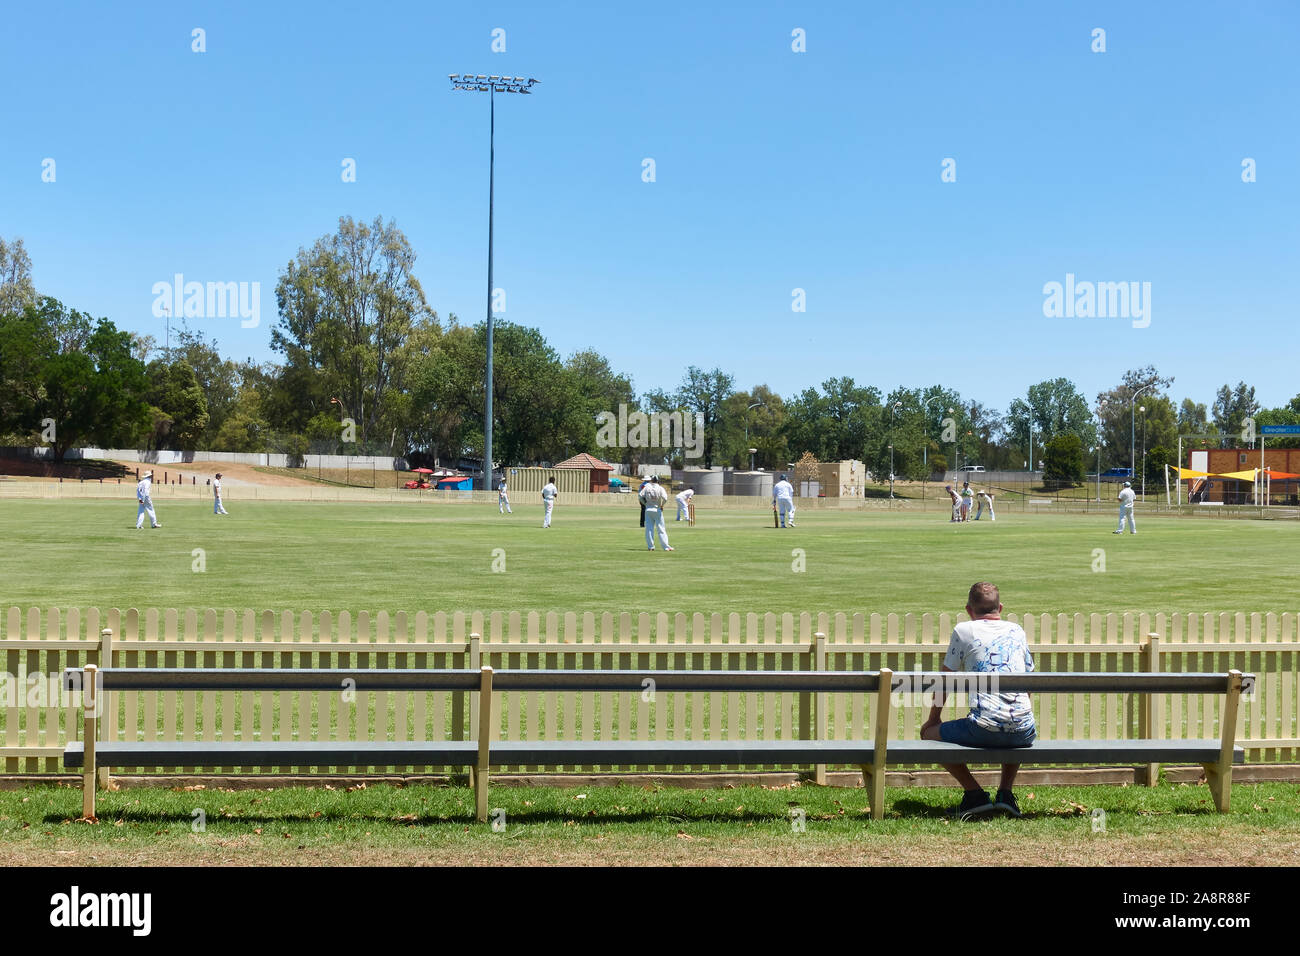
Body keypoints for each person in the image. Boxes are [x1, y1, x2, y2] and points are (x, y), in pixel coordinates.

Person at [921, 582, 1035, 820]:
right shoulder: (1017, 631)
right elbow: (1028, 681)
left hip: (983, 726)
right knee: (1013, 722)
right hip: (1023, 728)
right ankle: (1005, 793)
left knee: (928, 736)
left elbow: (944, 680)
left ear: (968, 609)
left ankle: (975, 794)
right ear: (1000, 607)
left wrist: (932, 720)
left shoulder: (964, 630)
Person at [639, 475, 674, 551]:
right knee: (661, 529)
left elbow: (640, 496)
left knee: (649, 529)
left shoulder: (647, 487)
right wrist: (662, 505)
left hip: (648, 510)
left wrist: (645, 504)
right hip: (657, 509)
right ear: (658, 481)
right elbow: (665, 498)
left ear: (651, 480)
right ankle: (666, 547)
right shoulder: (660, 488)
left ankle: (650, 547)